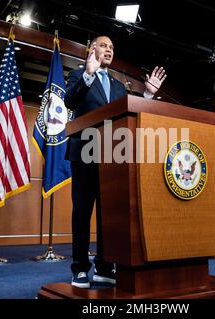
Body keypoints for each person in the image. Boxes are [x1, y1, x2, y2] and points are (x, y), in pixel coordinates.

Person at [64, 35, 167, 288]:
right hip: (85, 152)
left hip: (113, 157)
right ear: (92, 49)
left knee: (108, 215)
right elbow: (69, 101)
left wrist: (148, 95)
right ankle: (79, 269)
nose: (108, 50)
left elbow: (129, 116)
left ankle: (104, 266)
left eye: (112, 47)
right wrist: (88, 76)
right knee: (82, 212)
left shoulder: (120, 86)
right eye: (103, 45)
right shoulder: (79, 75)